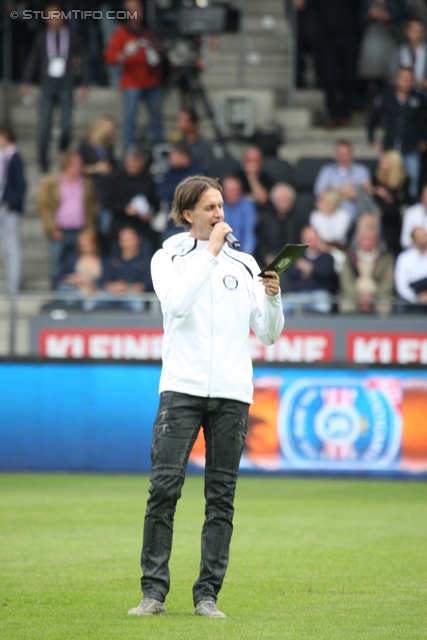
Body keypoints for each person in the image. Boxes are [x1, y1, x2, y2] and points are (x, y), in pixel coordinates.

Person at [127, 175, 284, 618]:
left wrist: (273, 298)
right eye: (210, 208)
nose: (220, 214)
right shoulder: (168, 257)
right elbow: (176, 304)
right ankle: (153, 593)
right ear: (187, 215)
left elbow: (269, 334)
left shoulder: (246, 264)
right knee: (163, 490)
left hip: (233, 394)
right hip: (181, 388)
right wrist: (211, 252)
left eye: (221, 206)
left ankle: (207, 596)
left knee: (222, 498)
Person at [20, 2, 88, 173]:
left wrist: (83, 83)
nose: (52, 19)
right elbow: (33, 59)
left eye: (55, 15)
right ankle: (43, 163)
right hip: (48, 84)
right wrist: (26, 81)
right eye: (49, 16)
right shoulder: (42, 37)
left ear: (63, 17)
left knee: (66, 126)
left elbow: (83, 58)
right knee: (44, 127)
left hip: (66, 84)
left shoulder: (72, 36)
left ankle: (63, 159)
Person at [104, 0, 164, 148]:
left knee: (156, 118)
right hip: (131, 83)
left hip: (151, 81)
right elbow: (110, 58)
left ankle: (158, 149)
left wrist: (155, 50)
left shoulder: (149, 33)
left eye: (137, 8)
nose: (135, 12)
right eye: (130, 9)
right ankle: (129, 151)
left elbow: (161, 54)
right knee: (130, 120)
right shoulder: (121, 33)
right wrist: (124, 54)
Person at [37, 150, 98, 283]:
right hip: (59, 231)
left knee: (77, 266)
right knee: (56, 266)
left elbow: (92, 207)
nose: (80, 165)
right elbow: (44, 206)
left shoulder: (86, 183)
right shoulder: (52, 182)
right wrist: (52, 227)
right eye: (77, 163)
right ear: (67, 164)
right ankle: (55, 294)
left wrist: (89, 229)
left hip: (80, 231)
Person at [368, 66, 427, 198]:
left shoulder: (419, 98)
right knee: (387, 182)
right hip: (390, 148)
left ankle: (407, 211)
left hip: (411, 148)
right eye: (403, 79)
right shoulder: (386, 96)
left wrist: (424, 140)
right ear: (397, 80)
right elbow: (372, 119)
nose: (406, 82)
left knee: (412, 183)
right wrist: (372, 139)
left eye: (409, 79)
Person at [310, 0, 360, 127]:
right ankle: (332, 115)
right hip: (327, 37)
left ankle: (345, 115)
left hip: (349, 35)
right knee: (329, 77)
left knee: (349, 77)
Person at [104, 146, 159, 253]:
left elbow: (156, 203)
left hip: (141, 229)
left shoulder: (148, 180)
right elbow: (107, 202)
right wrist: (125, 208)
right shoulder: (116, 178)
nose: (134, 165)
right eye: (132, 162)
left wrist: (151, 214)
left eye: (138, 162)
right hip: (119, 227)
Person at [255, 183, 305, 290]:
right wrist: (267, 255)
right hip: (269, 260)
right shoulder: (265, 218)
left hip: (293, 260)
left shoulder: (300, 218)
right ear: (274, 201)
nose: (283, 204)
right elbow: (261, 240)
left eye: (286, 200)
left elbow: (301, 240)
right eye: (280, 200)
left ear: (292, 201)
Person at [79, 115, 117, 250]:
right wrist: (96, 168)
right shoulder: (85, 146)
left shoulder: (109, 147)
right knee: (91, 225)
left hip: (106, 190)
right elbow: (78, 167)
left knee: (104, 227)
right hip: (90, 190)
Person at [339, 224, 395, 316]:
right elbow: (346, 280)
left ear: (376, 240)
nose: (368, 242)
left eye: (371, 239)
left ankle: (380, 329)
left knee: (385, 306)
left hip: (378, 295)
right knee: (346, 305)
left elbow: (388, 281)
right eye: (365, 239)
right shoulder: (350, 257)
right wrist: (358, 296)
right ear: (359, 240)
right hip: (354, 295)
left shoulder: (385, 258)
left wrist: (373, 297)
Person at [281, 226, 336, 314]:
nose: (311, 242)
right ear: (302, 240)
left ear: (319, 239)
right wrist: (311, 271)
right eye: (308, 239)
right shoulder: (295, 256)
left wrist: (310, 268)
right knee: (281, 306)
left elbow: (327, 273)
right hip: (296, 295)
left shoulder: (327, 257)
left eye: (313, 239)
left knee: (324, 306)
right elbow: (290, 273)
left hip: (318, 294)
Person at [155, 140, 204, 240]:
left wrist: (172, 190)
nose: (170, 160)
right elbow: (159, 192)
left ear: (184, 156)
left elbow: (189, 195)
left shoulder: (198, 171)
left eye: (173, 156)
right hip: (173, 224)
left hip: (193, 225)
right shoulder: (170, 171)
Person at [314, 141, 373, 220]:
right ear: (336, 155)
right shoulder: (326, 171)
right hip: (330, 212)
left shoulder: (362, 171)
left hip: (355, 214)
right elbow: (319, 192)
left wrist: (334, 192)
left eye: (345, 154)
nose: (343, 158)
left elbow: (364, 194)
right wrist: (347, 191)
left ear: (351, 154)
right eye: (340, 155)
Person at [99, 225, 152, 312]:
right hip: (111, 295)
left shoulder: (146, 261)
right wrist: (114, 287)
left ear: (138, 239)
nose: (126, 243)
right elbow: (103, 282)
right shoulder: (112, 259)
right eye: (123, 239)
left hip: (133, 296)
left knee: (138, 305)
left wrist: (126, 287)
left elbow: (146, 285)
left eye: (130, 239)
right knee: (90, 303)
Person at [0, 125, 26, 294]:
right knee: (4, 246)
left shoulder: (14, 157)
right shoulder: (3, 156)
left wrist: (10, 202)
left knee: (12, 245)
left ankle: (13, 284)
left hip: (8, 207)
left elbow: (21, 185)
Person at [371, 150, 410, 255]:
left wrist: (385, 195)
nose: (381, 165)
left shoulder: (404, 180)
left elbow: (399, 205)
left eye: (385, 163)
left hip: (394, 219)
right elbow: (375, 200)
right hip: (381, 217)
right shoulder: (378, 178)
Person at [53, 229, 104, 309]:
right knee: (67, 294)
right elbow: (57, 277)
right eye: (82, 244)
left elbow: (107, 280)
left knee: (96, 300)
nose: (85, 247)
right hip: (75, 291)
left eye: (87, 244)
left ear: (94, 244)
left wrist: (90, 283)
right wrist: (71, 278)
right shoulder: (71, 260)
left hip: (95, 292)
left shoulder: (104, 262)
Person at [222, 174, 257, 255]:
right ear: (223, 191)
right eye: (230, 190)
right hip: (223, 254)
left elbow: (249, 233)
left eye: (236, 190)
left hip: (244, 253)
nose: (234, 193)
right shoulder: (219, 206)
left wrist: (245, 256)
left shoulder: (248, 205)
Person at [390, 17, 427, 94]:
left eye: (418, 31)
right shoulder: (400, 50)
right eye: (413, 31)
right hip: (403, 93)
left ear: (423, 32)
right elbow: (392, 74)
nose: (416, 34)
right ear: (407, 31)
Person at [395, 226, 427, 309]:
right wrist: (416, 299)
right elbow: (401, 286)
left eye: (425, 235)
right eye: (421, 236)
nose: (424, 238)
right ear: (414, 241)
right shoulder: (404, 258)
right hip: (411, 299)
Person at [400, 183, 427, 248]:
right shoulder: (411, 212)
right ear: (422, 197)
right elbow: (405, 241)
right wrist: (419, 242)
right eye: (426, 198)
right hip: (414, 252)